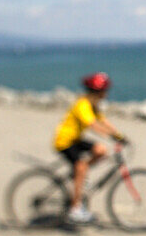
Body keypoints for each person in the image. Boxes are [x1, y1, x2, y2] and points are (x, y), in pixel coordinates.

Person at [53, 72, 126, 224]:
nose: (106, 93)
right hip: (65, 141)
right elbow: (92, 124)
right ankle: (75, 209)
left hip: (75, 139)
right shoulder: (83, 104)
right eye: (104, 90)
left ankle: (80, 173)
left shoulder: (93, 105)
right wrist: (111, 136)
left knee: (100, 151)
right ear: (97, 91)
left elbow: (102, 120)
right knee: (80, 166)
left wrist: (119, 135)